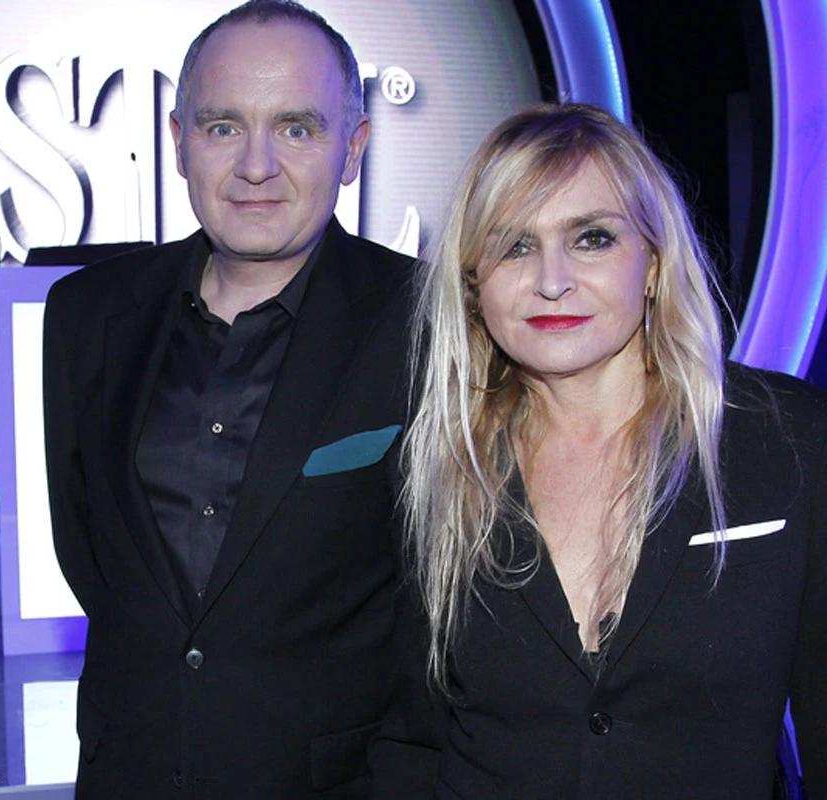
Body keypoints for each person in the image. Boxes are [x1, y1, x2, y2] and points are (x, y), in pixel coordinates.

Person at [393, 102, 826, 797]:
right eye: (514, 246)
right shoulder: (440, 465)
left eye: (592, 238)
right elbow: (410, 738)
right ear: (474, 285)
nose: (552, 279)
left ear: (652, 264)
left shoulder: (787, 436)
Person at [42, 1, 415, 795]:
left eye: (296, 128)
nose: (256, 166)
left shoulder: (430, 322)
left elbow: (443, 605)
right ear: (179, 141)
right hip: (130, 773)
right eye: (223, 127)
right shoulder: (86, 314)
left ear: (353, 149)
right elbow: (93, 557)